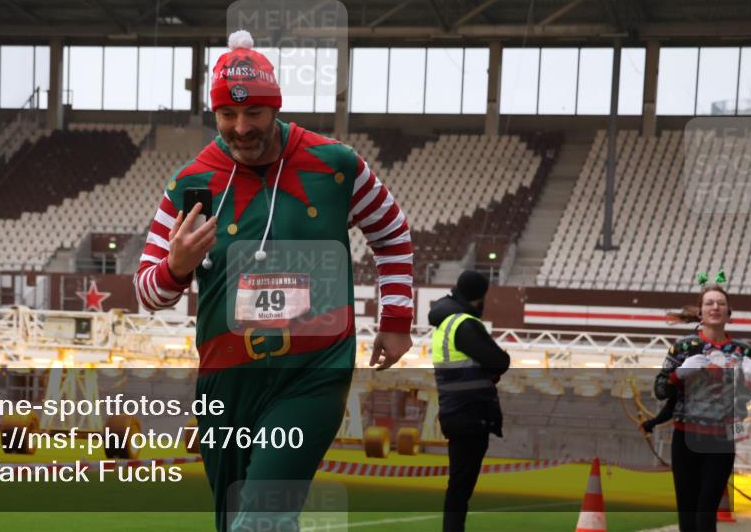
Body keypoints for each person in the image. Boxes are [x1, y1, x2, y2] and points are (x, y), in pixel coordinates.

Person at [133, 30, 414, 531]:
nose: (240, 128)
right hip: (225, 381)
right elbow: (147, 292)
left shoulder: (337, 166)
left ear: (276, 108)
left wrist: (395, 319)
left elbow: (391, 233)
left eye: (254, 114)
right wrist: (175, 267)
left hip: (312, 373)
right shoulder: (189, 183)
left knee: (261, 517)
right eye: (227, 115)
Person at [654, 275, 751, 532]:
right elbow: (660, 389)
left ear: (729, 313)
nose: (715, 308)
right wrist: (679, 374)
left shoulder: (743, 351)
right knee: (687, 515)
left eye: (721, 304)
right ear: (701, 312)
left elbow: (743, 405)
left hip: (721, 442)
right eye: (710, 303)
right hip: (685, 438)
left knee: (705, 513)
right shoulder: (684, 347)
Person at [429, 270, 510, 532]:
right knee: (460, 488)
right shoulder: (464, 324)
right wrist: (491, 371)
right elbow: (499, 360)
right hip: (471, 414)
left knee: (458, 486)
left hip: (455, 412)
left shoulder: (445, 324)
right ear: (478, 297)